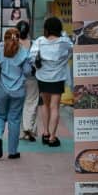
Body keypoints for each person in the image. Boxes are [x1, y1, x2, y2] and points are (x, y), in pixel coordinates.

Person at [30, 16, 73, 147]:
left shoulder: (39, 41)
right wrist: (64, 60)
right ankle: (53, 137)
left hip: (43, 77)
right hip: (58, 78)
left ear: (46, 29)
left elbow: (32, 58)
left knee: (44, 105)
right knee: (55, 107)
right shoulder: (64, 42)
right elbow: (73, 50)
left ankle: (45, 133)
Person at [0, 26, 33, 159]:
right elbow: (27, 72)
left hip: (0, 89)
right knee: (14, 119)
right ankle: (13, 151)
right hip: (18, 91)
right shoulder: (24, 51)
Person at [17, 20, 38, 141]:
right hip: (32, 78)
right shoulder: (34, 44)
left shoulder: (13, 44)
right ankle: (28, 128)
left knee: (18, 104)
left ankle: (21, 132)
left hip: (16, 78)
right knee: (31, 103)